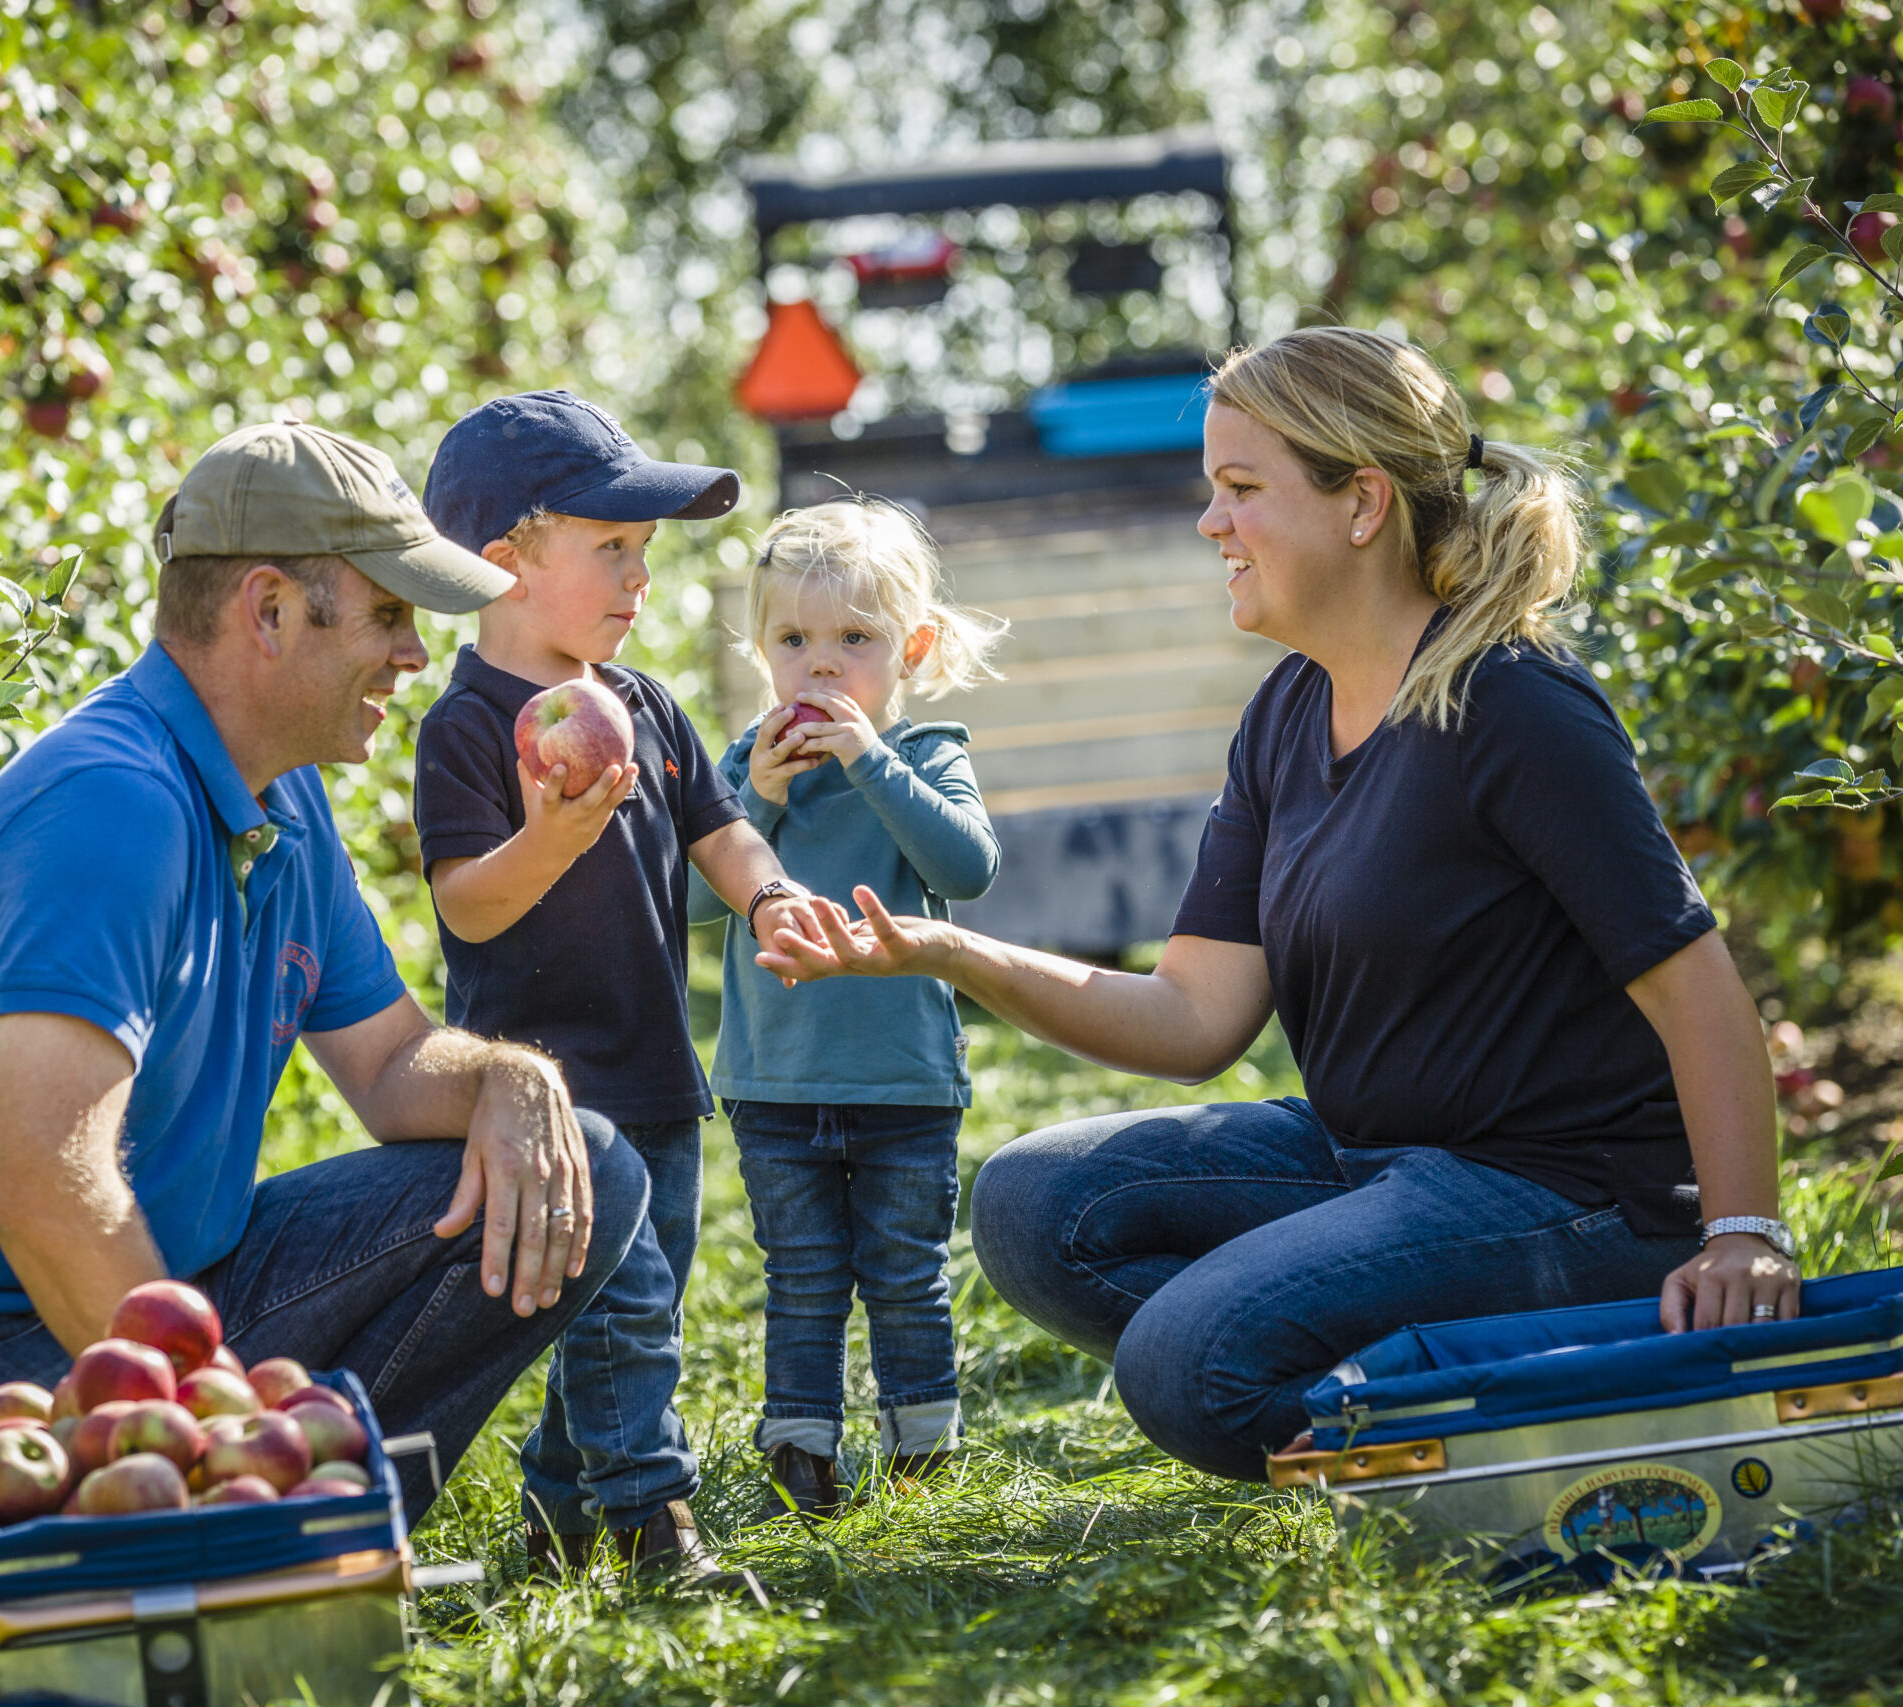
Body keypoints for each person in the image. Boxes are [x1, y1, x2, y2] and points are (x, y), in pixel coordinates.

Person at [754, 327, 1802, 1482]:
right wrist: (948, 952)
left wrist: (1741, 1232)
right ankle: (1412, 1364)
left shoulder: (1512, 705)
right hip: (1369, 1158)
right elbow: (1195, 1020)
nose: (1212, 523)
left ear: (1360, 504)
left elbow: (1698, 988)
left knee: (1181, 1366)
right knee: (1029, 1207)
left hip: (1568, 1201)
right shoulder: (1287, 713)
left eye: (1242, 490)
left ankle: (1554, 1381)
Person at [0, 422, 647, 1605]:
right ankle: (239, 1553)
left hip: (152, 1288)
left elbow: (390, 1065)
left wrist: (505, 1078)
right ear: (271, 608)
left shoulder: (279, 797)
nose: (411, 652)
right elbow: (39, 1179)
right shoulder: (113, 806)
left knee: (580, 1163)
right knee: (219, 1589)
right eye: (389, 614)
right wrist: (216, 1430)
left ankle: (252, 1548)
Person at [412, 391, 814, 1590]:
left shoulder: (641, 705)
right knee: (626, 1309)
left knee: (630, 1308)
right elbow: (466, 902)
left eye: (645, 551)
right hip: (547, 1101)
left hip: (651, 1071)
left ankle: (556, 1516)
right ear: (505, 564)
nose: (640, 578)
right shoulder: (471, 729)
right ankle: (654, 1525)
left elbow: (720, 827)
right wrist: (552, 834)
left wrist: (771, 897)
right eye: (612, 549)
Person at [685, 500, 1004, 1519]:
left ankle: (922, 1451)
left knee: (906, 1274)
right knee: (804, 1275)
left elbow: (966, 865)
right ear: (762, 649)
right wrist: (759, 802)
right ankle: (801, 1451)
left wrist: (871, 762)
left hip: (903, 1077)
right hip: (774, 1078)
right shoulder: (740, 772)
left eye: (854, 641)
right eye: (794, 641)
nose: (821, 669)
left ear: (907, 650)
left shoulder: (927, 755)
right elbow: (688, 902)